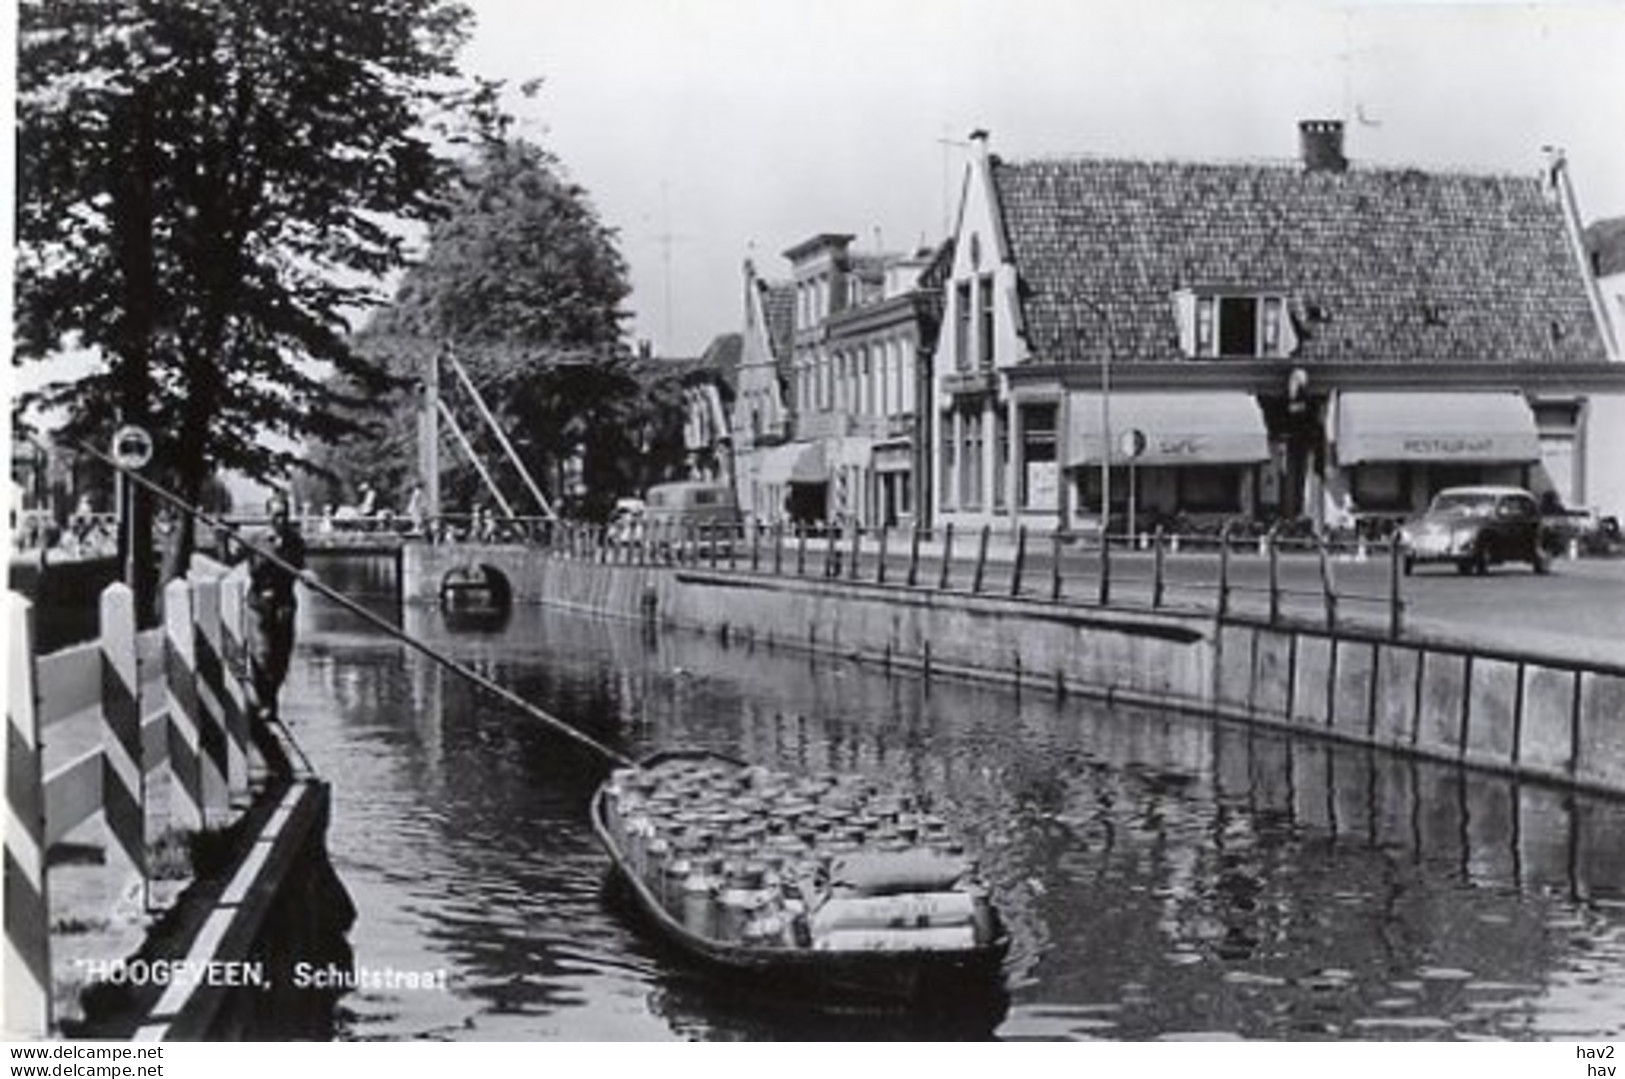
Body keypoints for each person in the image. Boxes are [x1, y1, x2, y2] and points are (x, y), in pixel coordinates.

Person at [245, 494, 307, 778]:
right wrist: (224, 539)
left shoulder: (295, 542)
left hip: (284, 604)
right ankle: (264, 705)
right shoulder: (257, 540)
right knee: (262, 653)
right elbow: (237, 560)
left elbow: (299, 568)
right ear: (267, 515)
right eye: (275, 515)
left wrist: (305, 575)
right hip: (260, 603)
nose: (279, 520)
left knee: (281, 658)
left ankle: (270, 701)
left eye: (283, 515)